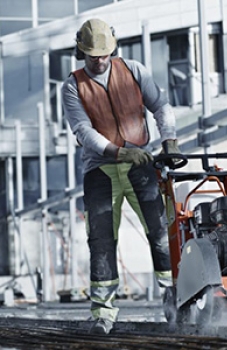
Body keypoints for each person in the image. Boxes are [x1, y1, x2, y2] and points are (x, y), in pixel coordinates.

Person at [61, 18, 181, 335]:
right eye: (92, 56)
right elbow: (83, 131)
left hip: (141, 165)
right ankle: (103, 313)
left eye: (104, 54)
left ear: (113, 49)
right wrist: (118, 152)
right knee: (101, 242)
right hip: (99, 170)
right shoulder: (73, 86)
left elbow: (161, 105)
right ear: (80, 52)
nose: (99, 60)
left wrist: (169, 139)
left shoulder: (134, 71)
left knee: (160, 233)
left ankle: (175, 299)